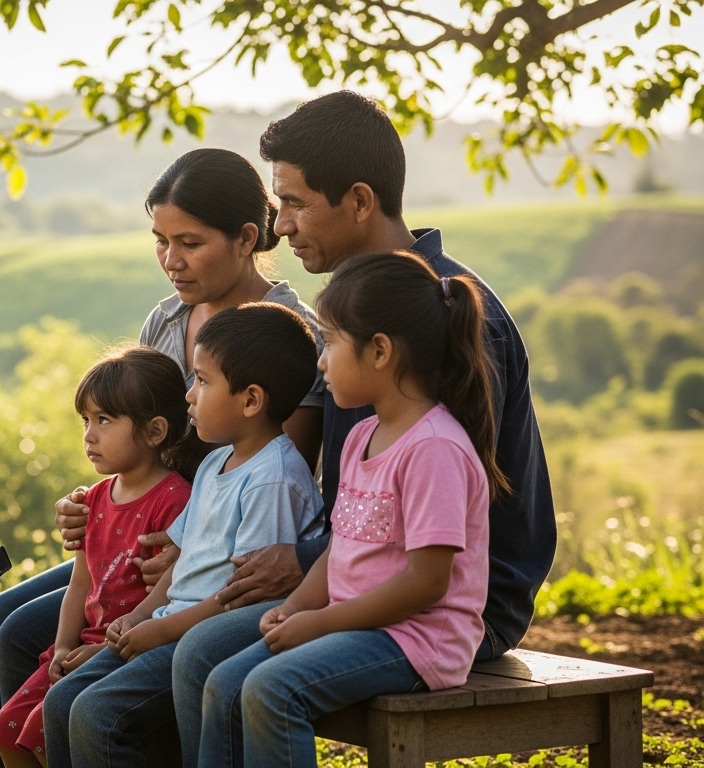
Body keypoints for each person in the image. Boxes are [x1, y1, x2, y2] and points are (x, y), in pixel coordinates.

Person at [171, 92, 555, 759]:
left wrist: (308, 582)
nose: (280, 226)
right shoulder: (352, 322)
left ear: (358, 200)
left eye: (294, 203)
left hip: (452, 604)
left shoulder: (440, 321)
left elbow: (444, 539)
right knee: (202, 651)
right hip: (357, 575)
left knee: (226, 660)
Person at [0, 148, 325, 768]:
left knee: (27, 640)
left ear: (245, 238)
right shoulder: (169, 318)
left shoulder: (289, 331)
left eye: (190, 243)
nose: (171, 261)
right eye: (160, 241)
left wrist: (184, 550)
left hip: (199, 551)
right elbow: (137, 434)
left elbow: (278, 463)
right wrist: (97, 504)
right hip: (149, 530)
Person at [192, 250, 506, 766]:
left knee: (272, 689)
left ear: (379, 351)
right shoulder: (363, 435)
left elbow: (427, 583)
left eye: (331, 342)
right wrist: (296, 608)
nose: (321, 361)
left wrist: (321, 623)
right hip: (355, 626)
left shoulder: (434, 448)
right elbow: (339, 549)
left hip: (415, 638)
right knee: (224, 683)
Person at [42, 303, 324, 768]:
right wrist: (140, 616)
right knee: (60, 702)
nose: (189, 395)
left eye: (203, 381)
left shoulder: (272, 479)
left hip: (201, 633)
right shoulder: (215, 463)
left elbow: (244, 595)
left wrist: (160, 629)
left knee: (97, 714)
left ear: (251, 400)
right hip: (168, 622)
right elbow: (183, 562)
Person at [0, 346, 201, 768]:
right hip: (83, 643)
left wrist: (105, 649)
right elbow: (80, 584)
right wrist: (63, 645)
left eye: (104, 420)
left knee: (45, 732)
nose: (89, 434)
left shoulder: (175, 501)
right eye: (85, 420)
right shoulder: (95, 499)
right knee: (8, 730)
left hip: (134, 642)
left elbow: (170, 594)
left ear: (155, 431)